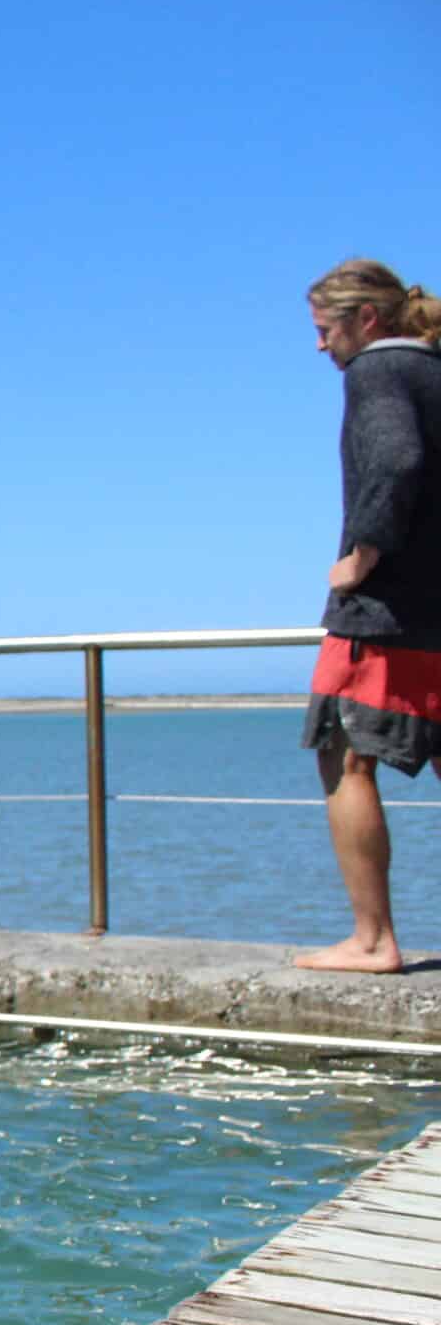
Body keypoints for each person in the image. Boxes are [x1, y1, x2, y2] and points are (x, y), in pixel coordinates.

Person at [298, 258, 441, 974]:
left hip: (384, 614)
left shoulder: (379, 373)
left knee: (345, 752)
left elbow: (397, 460)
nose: (321, 347)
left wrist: (362, 555)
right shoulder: (435, 370)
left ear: (368, 320)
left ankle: (373, 939)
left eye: (326, 330)